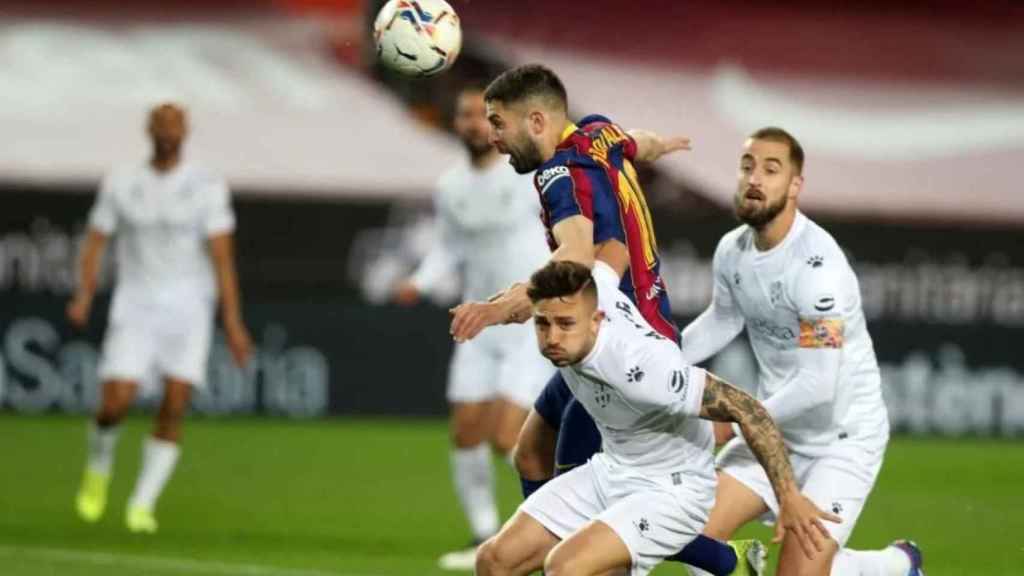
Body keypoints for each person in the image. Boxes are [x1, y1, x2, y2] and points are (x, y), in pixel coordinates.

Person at [450, 63, 761, 576]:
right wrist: (659, 144)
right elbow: (633, 145)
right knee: (530, 453)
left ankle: (680, 559)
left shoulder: (557, 175)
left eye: (498, 123)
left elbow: (573, 259)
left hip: (614, 343)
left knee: (587, 507)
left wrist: (496, 308)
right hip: (621, 328)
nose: (492, 137)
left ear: (534, 121)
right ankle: (717, 559)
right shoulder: (596, 132)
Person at [476, 259, 839, 576]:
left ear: (596, 321)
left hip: (673, 492)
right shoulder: (591, 293)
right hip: (613, 469)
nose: (552, 337)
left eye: (565, 324)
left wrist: (789, 496)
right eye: (543, 324)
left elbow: (749, 410)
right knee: (495, 560)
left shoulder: (642, 369)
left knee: (566, 568)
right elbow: (613, 249)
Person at [681, 127, 924, 576]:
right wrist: (666, 363)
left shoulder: (818, 269)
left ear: (795, 186)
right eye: (748, 166)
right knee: (690, 530)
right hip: (777, 431)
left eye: (772, 170)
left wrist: (736, 420)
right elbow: (724, 318)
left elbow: (817, 385)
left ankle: (891, 566)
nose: (755, 178)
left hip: (841, 440)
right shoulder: (732, 251)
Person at [70, 103, 252, 534]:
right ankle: (99, 469)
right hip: (135, 303)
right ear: (149, 130)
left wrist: (233, 321)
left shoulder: (206, 184)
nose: (169, 132)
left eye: (176, 125)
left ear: (186, 132)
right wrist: (84, 294)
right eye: (162, 124)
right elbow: (96, 241)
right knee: (114, 402)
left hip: (189, 308)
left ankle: (141, 504)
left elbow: (222, 258)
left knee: (174, 404)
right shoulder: (122, 181)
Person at [394, 83, 554, 570]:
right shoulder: (450, 187)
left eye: (482, 116)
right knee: (466, 432)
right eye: (464, 115)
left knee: (509, 437)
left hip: (525, 321)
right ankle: (484, 535)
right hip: (476, 323)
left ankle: (551, 526)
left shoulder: (528, 177)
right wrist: (419, 283)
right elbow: (449, 249)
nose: (472, 124)